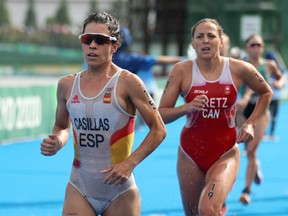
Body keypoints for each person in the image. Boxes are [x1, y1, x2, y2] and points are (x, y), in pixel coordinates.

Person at [40, 11, 166, 216]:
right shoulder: (66, 84)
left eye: (100, 40)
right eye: (87, 39)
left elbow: (159, 129)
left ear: (114, 46)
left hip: (120, 192)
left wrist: (129, 164)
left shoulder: (128, 82)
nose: (92, 45)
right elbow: (62, 126)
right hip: (79, 187)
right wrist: (57, 141)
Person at [158, 18, 273, 215]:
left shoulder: (237, 68)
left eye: (211, 36)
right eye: (199, 37)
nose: (205, 41)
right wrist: (187, 107)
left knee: (208, 209)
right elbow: (162, 114)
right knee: (194, 213)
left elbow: (266, 92)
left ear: (221, 42)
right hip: (189, 155)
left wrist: (250, 123)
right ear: (193, 44)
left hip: (225, 152)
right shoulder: (182, 71)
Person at [237, 34, 283, 205]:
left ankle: (246, 191)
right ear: (246, 47)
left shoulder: (269, 65)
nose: (256, 47)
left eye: (259, 44)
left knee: (251, 151)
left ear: (263, 48)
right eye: (252, 44)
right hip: (243, 111)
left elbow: (280, 77)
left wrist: (279, 83)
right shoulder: (240, 65)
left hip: (261, 111)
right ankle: (255, 168)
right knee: (248, 150)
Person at [112, 27, 182, 128]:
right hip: (124, 97)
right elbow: (158, 60)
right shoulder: (132, 59)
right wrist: (184, 59)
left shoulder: (100, 58)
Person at [264, 51, 286, 141]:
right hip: (266, 96)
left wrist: (278, 84)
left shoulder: (279, 69)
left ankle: (271, 133)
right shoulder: (263, 67)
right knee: (265, 115)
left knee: (274, 115)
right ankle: (263, 132)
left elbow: (283, 82)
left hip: (276, 96)